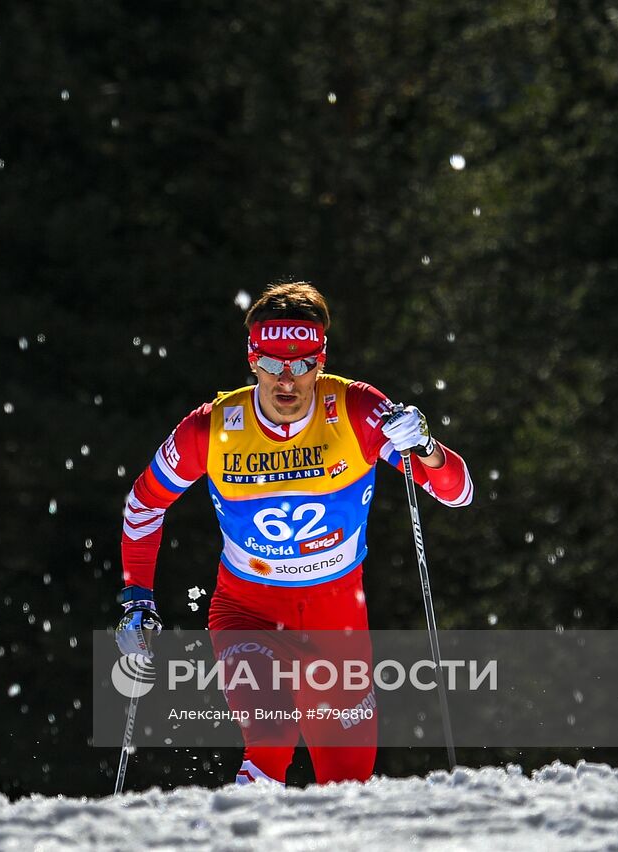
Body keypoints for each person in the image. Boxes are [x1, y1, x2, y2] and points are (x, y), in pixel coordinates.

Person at [114, 281, 473, 786]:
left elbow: (457, 493)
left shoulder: (354, 410)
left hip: (337, 622)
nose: (288, 380)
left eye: (303, 364)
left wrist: (427, 446)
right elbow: (144, 504)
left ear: (320, 362)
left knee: (348, 784)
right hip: (249, 611)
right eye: (273, 363)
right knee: (271, 733)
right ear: (252, 359)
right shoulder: (212, 429)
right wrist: (137, 599)